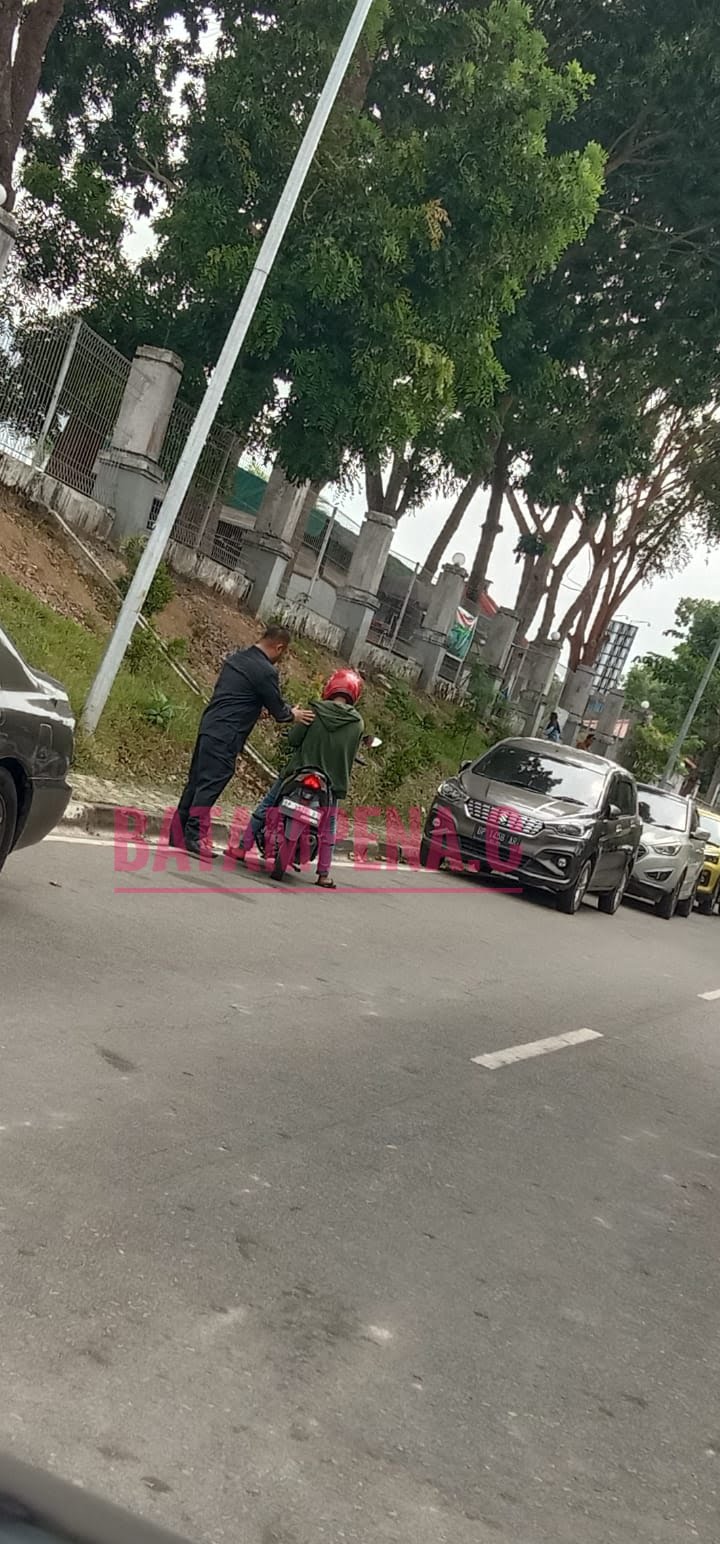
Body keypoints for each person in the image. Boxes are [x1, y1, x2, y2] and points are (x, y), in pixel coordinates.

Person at [172, 625, 314, 857]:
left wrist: (256, 710)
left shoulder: (236, 659)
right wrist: (294, 714)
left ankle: (177, 833)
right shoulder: (266, 671)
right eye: (283, 653)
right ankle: (193, 835)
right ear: (279, 647)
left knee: (196, 780)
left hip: (209, 725)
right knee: (210, 784)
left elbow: (238, 697)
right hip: (228, 734)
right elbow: (279, 711)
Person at [233, 667, 365, 888]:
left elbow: (294, 740)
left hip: (298, 772)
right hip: (330, 783)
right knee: (329, 826)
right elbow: (349, 756)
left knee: (268, 803)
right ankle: (323, 874)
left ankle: (242, 848)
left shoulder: (315, 710)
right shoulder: (357, 723)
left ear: (331, 687)